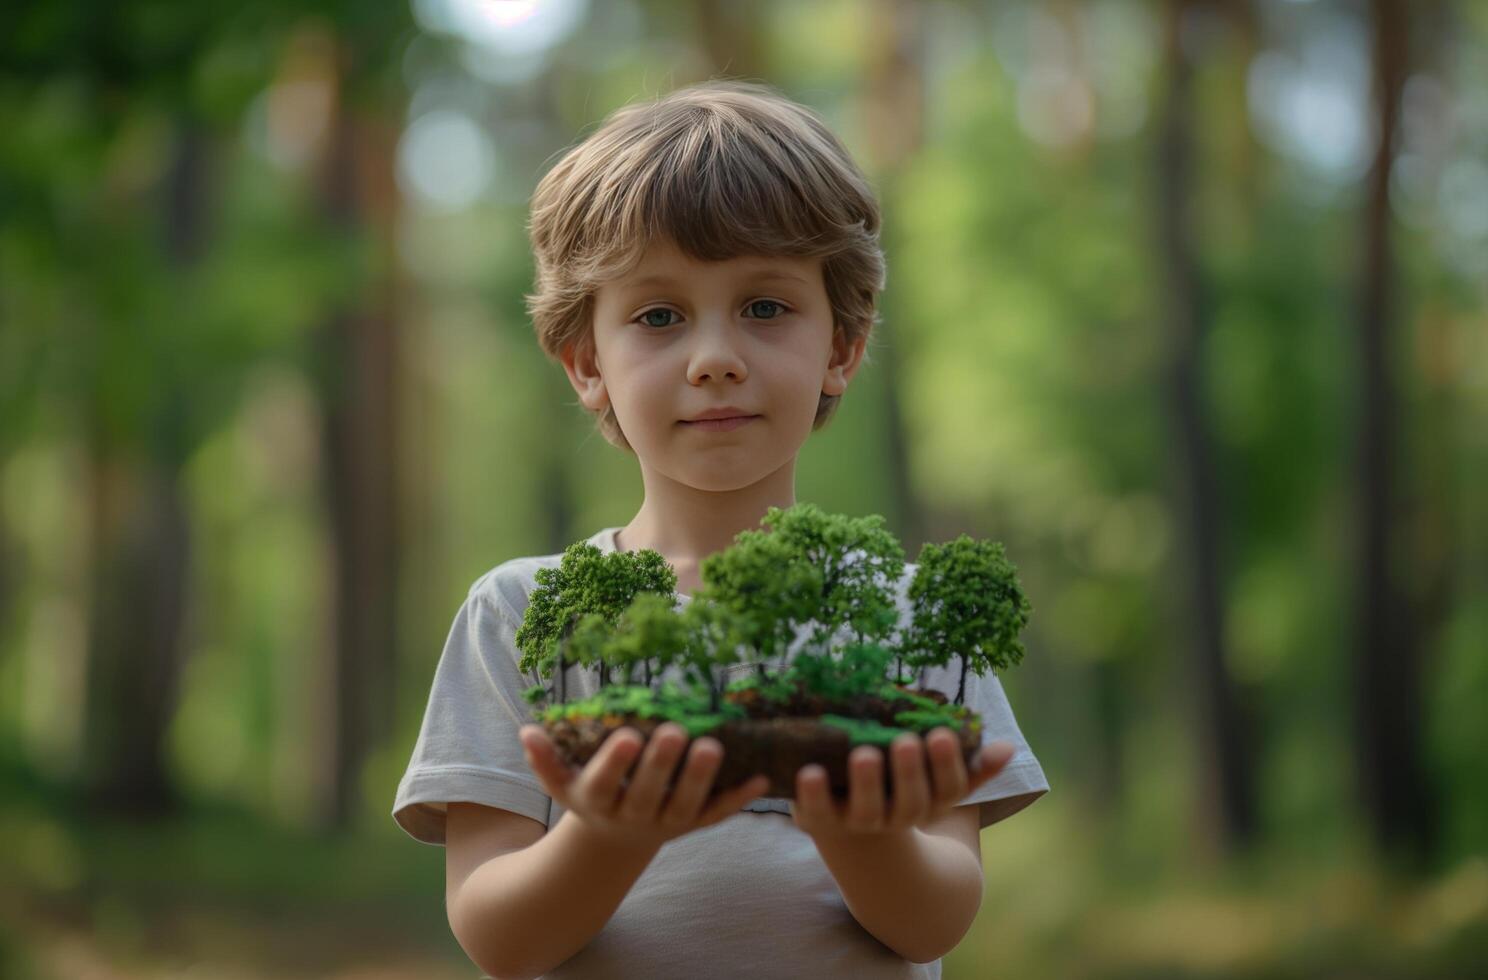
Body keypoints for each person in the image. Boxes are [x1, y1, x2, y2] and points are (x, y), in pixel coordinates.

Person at [391, 79, 1050, 980]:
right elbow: (499, 938)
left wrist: (859, 828)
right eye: (658, 317)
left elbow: (935, 922)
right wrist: (611, 835)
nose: (714, 361)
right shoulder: (521, 614)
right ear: (587, 362)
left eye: (766, 308)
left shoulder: (911, 618)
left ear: (842, 347)